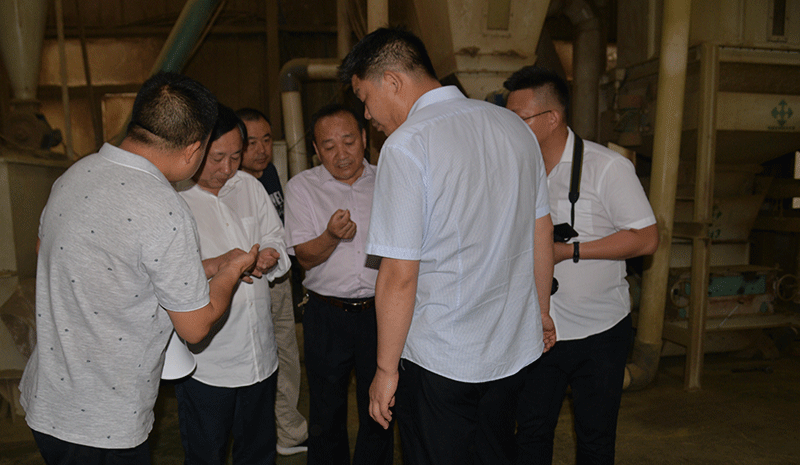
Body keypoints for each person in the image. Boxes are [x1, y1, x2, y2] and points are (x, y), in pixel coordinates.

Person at [339, 27, 556, 465]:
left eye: (365, 97)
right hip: (511, 347)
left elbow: (399, 275)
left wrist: (385, 370)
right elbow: (540, 230)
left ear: (392, 82)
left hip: (442, 358)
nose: (366, 113)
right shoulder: (514, 128)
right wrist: (541, 312)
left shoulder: (407, 145)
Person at [18, 72, 259, 464]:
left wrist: (207, 266)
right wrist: (231, 270)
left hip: (48, 401)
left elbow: (63, 258)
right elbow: (195, 326)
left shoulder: (74, 174)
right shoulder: (165, 208)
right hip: (104, 422)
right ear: (193, 150)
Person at [504, 65, 659, 464]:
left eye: (519, 119)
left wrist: (569, 252)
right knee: (531, 433)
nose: (511, 128)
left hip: (600, 331)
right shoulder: (514, 170)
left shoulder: (607, 167)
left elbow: (646, 238)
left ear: (552, 118)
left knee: (595, 439)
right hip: (537, 331)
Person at [175, 104, 291, 465]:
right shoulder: (174, 200)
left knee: (258, 453)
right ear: (193, 150)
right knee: (206, 454)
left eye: (236, 157)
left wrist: (270, 254)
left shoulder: (250, 186)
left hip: (259, 355)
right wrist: (222, 267)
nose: (227, 169)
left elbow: (275, 236)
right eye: (217, 158)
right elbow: (169, 275)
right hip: (208, 364)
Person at [284, 103, 393, 465]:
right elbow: (304, 257)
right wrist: (331, 236)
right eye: (329, 146)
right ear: (316, 149)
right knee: (326, 410)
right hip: (326, 313)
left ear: (364, 137)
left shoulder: (389, 180)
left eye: (348, 141)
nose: (341, 154)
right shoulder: (302, 187)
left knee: (380, 405)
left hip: (382, 311)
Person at [235, 107, 309, 456]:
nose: (261, 149)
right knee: (261, 360)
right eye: (251, 143)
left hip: (280, 278)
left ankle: (289, 433)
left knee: (288, 354)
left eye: (266, 140)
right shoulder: (231, 186)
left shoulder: (270, 174)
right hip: (250, 284)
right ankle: (268, 433)